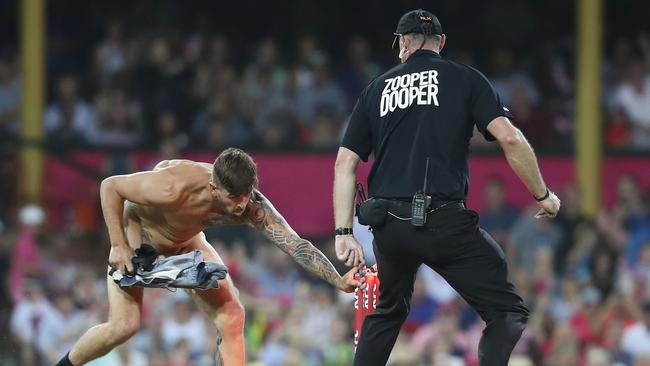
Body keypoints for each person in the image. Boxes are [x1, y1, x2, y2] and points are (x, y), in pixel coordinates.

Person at [333, 9, 561, 366]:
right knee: (506, 312)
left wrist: (344, 231)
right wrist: (542, 195)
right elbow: (511, 140)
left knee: (389, 311)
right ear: (441, 42)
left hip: (389, 226)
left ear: (402, 43)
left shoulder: (374, 91)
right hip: (442, 222)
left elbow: (345, 164)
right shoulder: (465, 78)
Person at [56, 147, 362, 366]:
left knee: (233, 315)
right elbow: (111, 187)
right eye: (234, 198)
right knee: (124, 326)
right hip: (140, 238)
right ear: (214, 188)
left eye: (247, 194)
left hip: (187, 242)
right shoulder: (172, 186)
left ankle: (168, 267)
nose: (242, 205)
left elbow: (295, 245)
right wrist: (119, 245)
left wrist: (337, 280)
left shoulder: (252, 205)